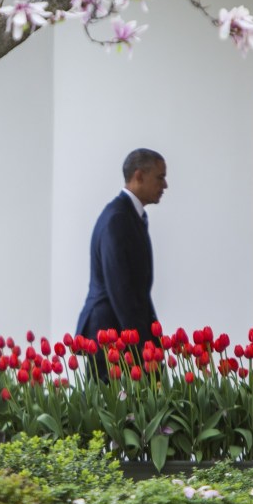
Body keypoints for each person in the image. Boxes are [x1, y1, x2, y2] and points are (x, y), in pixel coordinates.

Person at [75, 148, 167, 380]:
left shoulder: (128, 216)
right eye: (159, 177)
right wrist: (143, 349)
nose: (165, 185)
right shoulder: (118, 219)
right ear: (139, 176)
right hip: (110, 335)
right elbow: (121, 291)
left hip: (119, 332)